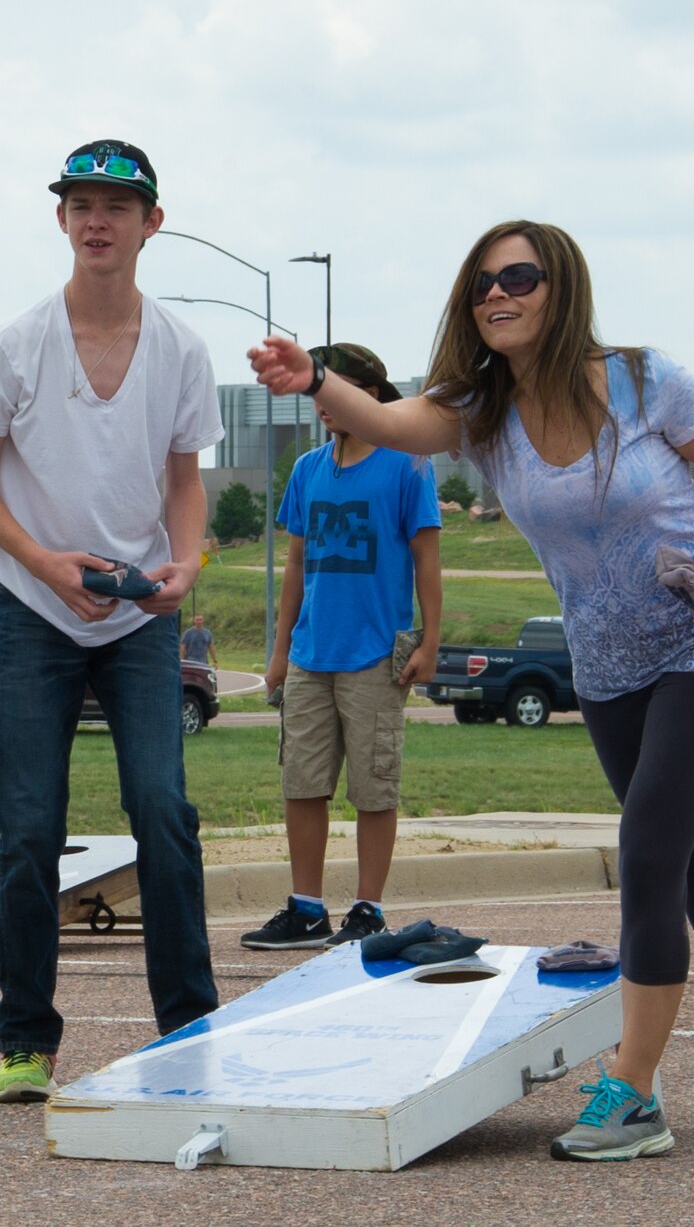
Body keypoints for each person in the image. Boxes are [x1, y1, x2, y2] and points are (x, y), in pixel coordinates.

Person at [250, 220, 694, 1162]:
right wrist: (313, 379)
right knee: (690, 846)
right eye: (482, 284)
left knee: (648, 845)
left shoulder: (646, 379)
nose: (498, 295)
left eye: (519, 276)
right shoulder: (480, 407)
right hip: (604, 665)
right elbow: (392, 424)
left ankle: (635, 1095)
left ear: (562, 289)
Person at [0, 138, 221, 1103]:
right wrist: (41, 563)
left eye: (117, 205)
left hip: (138, 617)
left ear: (153, 222)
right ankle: (25, 1042)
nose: (96, 220)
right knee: (28, 827)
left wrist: (184, 563)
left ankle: (188, 1029)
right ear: (60, 221)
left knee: (164, 810)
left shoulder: (183, 349)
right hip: (34, 611)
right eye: (80, 204)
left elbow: (186, 482)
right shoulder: (14, 346)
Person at [241, 343, 442, 952]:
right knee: (302, 783)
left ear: (370, 394)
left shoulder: (408, 465)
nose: (325, 402)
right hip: (310, 656)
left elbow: (427, 559)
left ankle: (368, 909)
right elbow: (296, 565)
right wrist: (279, 654)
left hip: (376, 657)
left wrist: (430, 641)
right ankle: (306, 909)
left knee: (373, 789)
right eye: (320, 391)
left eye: (338, 388)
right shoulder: (306, 471)